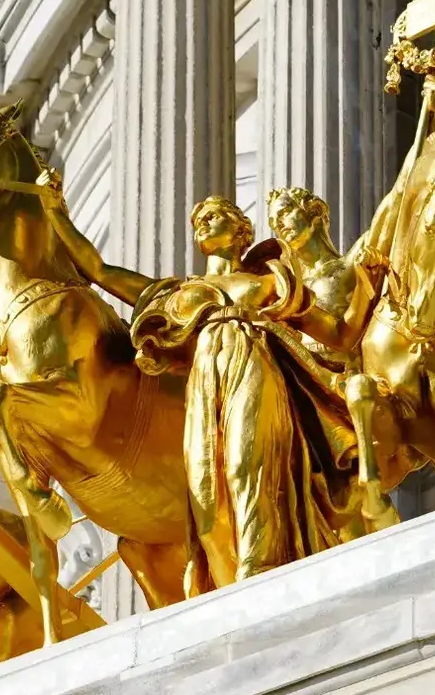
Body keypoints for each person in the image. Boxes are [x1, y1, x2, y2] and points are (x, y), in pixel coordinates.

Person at [130, 197, 367, 592]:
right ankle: (225, 588)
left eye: (213, 217)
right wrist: (52, 213)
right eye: (198, 220)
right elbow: (100, 271)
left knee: (246, 465)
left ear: (241, 229)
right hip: (205, 379)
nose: (202, 224)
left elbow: (337, 334)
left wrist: (364, 284)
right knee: (205, 496)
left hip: (253, 361)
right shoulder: (180, 294)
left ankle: (259, 569)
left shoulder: (271, 282)